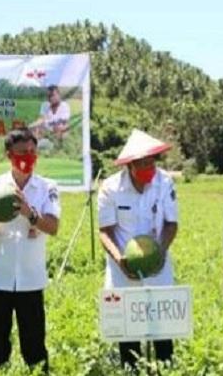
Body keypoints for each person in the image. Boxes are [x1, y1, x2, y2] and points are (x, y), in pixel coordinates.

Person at [97, 129, 180, 369]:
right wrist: (119, 258)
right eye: (143, 164)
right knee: (129, 338)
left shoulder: (164, 182)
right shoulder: (110, 188)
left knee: (162, 335)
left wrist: (161, 251)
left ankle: (164, 370)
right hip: (123, 271)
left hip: (158, 270)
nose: (149, 169)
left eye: (152, 163)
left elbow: (171, 224)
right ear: (130, 166)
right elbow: (105, 230)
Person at [0, 128, 60, 373]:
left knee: (35, 347)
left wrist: (29, 212)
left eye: (33, 152)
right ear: (8, 155)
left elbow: (53, 226)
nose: (29, 156)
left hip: (31, 280)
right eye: (23, 152)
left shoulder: (47, 187)